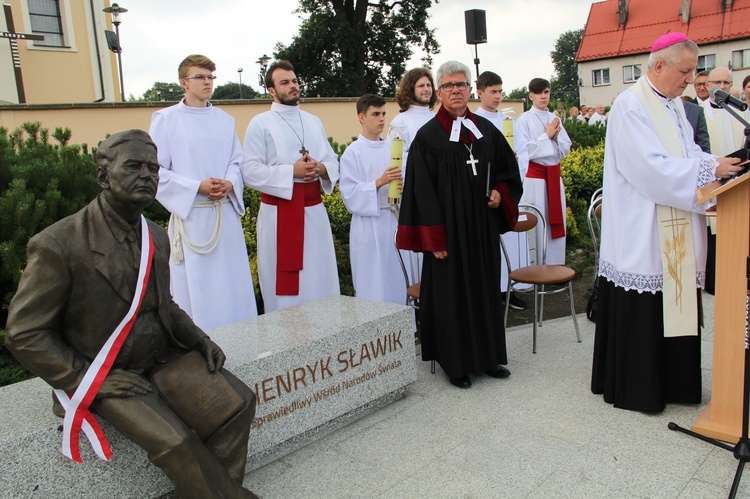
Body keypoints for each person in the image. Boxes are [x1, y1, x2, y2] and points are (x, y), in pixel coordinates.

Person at [4, 130, 258, 497]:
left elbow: (163, 303)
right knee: (177, 443)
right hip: (105, 372)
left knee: (238, 404)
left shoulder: (155, 235)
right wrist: (85, 379)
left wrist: (197, 338)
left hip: (162, 358)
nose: (147, 175)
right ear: (103, 177)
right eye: (134, 166)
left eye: (153, 168)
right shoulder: (59, 243)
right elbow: (24, 333)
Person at [590, 33, 743, 413]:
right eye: (685, 71)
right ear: (659, 66)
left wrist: (717, 165)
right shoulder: (630, 105)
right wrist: (709, 167)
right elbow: (650, 168)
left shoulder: (674, 105)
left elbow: (687, 151)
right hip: (643, 227)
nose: (691, 80)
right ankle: (641, 389)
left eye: (693, 72)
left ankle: (676, 383)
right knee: (648, 305)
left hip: (672, 225)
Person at [396, 61, 523, 389]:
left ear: (470, 89)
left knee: (483, 290)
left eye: (462, 84)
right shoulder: (427, 138)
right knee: (453, 296)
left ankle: (489, 357)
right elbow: (420, 192)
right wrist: (434, 237)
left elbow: (509, 173)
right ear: (439, 92)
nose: (456, 90)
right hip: (449, 235)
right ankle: (456, 364)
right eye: (449, 85)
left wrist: (499, 192)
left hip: (481, 231)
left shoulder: (487, 131)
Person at [149, 54, 257, 331]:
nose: (207, 82)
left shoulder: (223, 119)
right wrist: (197, 186)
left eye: (210, 77)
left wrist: (230, 183)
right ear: (183, 82)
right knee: (199, 289)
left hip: (224, 216)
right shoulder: (166, 120)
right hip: (193, 218)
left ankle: (242, 337)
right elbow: (155, 170)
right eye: (200, 77)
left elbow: (236, 160)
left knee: (231, 283)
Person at [241, 60, 340, 313]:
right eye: (284, 82)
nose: (293, 85)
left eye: (294, 80)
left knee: (318, 274)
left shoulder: (313, 120)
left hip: (314, 212)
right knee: (286, 288)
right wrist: (290, 173)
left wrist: (321, 168)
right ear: (271, 91)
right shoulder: (260, 123)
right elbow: (249, 170)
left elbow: (331, 158)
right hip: (279, 214)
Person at [339, 94, 406, 305]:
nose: (381, 119)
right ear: (361, 117)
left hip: (393, 219)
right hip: (368, 226)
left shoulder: (394, 149)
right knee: (373, 282)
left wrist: (403, 187)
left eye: (383, 114)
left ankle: (403, 326)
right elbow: (350, 195)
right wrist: (379, 182)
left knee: (397, 277)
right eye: (375, 114)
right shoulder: (352, 154)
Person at [474, 70, 528, 311]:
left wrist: (514, 162)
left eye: (500, 91)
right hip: (487, 192)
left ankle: (510, 288)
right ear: (480, 92)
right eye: (493, 91)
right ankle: (493, 292)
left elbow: (523, 151)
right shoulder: (473, 123)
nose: (498, 96)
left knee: (511, 242)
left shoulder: (509, 122)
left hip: (505, 189)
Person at [515, 78, 572, 265]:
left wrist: (555, 139)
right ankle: (537, 266)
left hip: (554, 178)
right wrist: (545, 137)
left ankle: (555, 264)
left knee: (555, 220)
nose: (543, 96)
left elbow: (566, 147)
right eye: (539, 93)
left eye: (546, 92)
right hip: (536, 180)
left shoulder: (554, 118)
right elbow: (525, 150)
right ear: (531, 95)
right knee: (538, 222)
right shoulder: (524, 120)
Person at [389, 67, 437, 281]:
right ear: (410, 89)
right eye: (421, 86)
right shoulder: (401, 122)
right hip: (418, 191)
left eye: (428, 85)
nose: (426, 89)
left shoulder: (439, 117)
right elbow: (397, 158)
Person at [702, 67, 746, 156]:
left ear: (731, 85)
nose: (722, 86)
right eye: (717, 82)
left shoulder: (741, 111)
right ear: (707, 85)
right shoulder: (699, 111)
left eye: (726, 82)